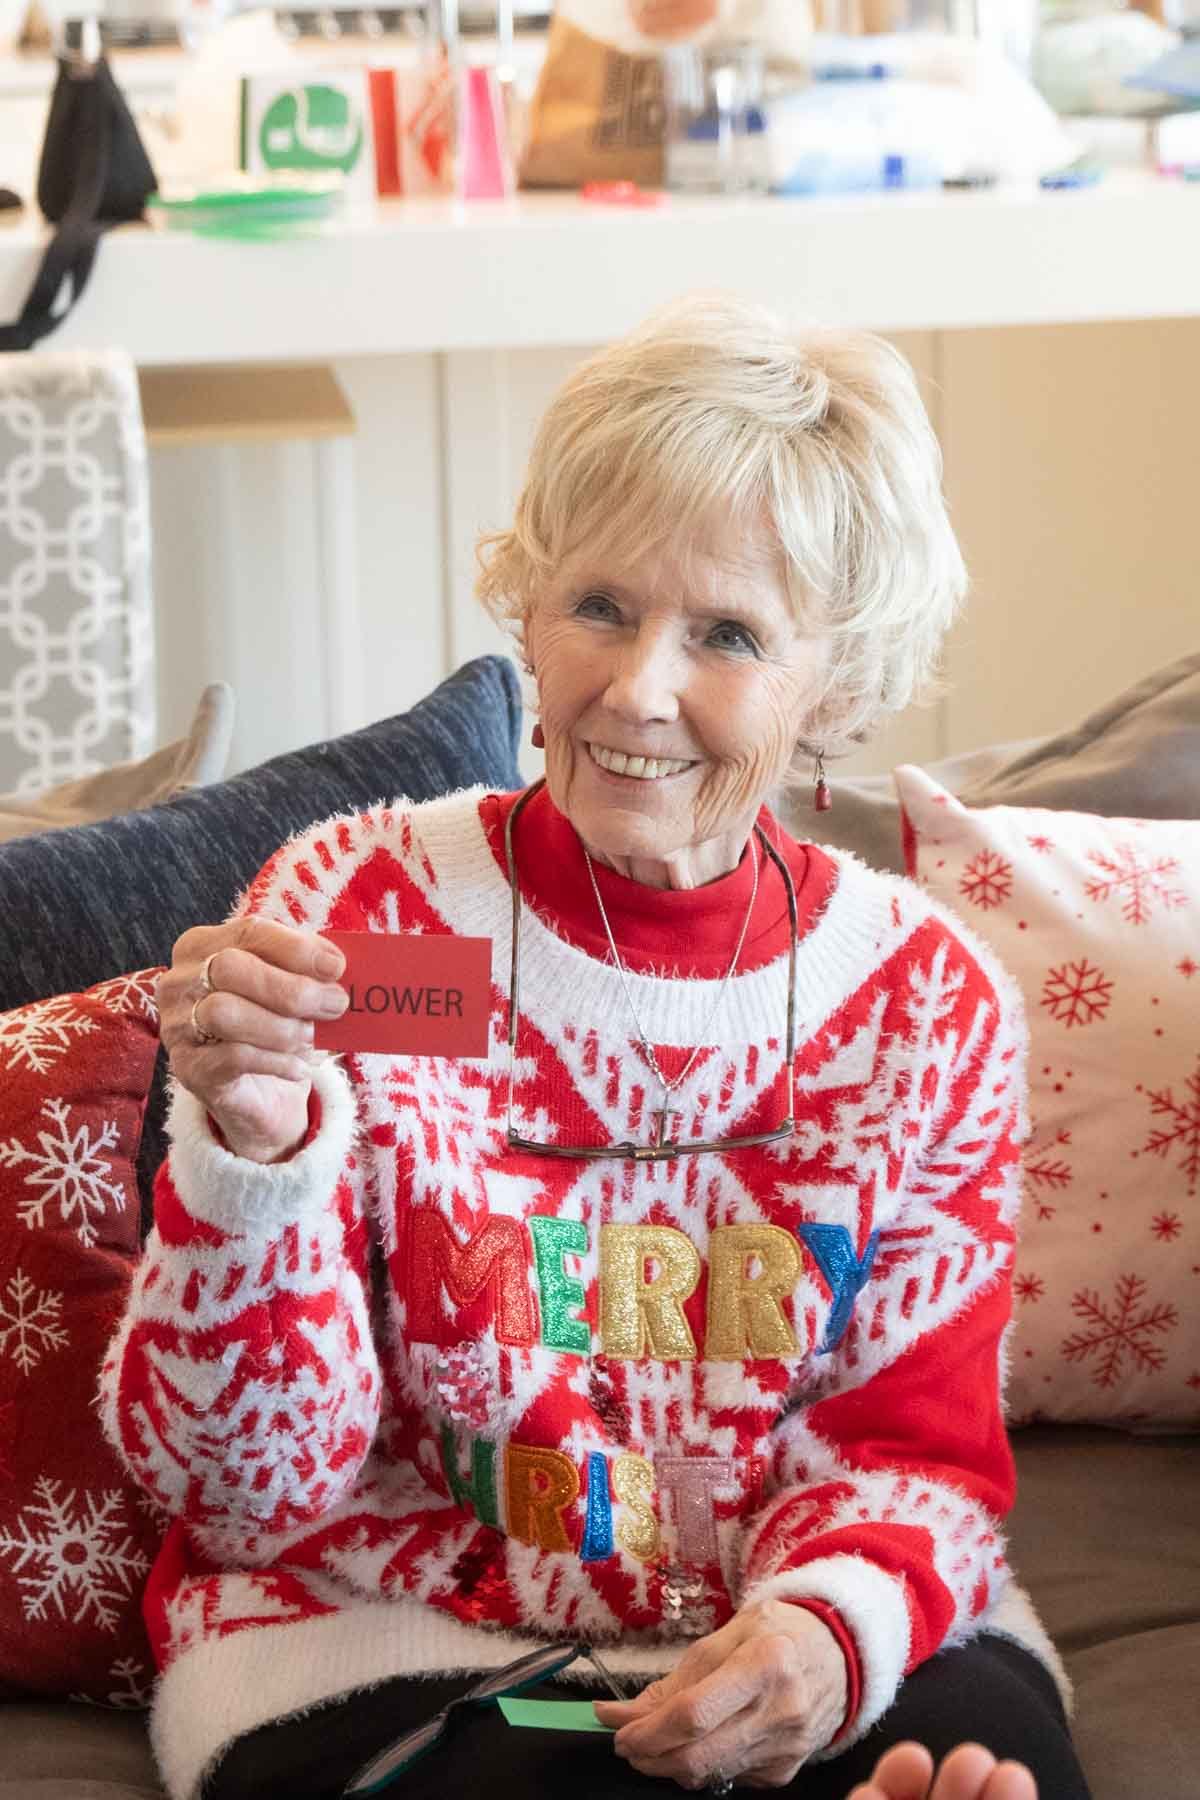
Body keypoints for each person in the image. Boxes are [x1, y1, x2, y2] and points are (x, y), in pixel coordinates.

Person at [101, 297, 1091, 1800]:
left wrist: (824, 1639)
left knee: (999, 1765)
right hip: (389, 1636)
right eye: (601, 608)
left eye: (730, 635)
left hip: (798, 1621)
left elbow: (914, 1460)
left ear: (838, 675)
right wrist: (249, 1161)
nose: (636, 691)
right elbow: (238, 1492)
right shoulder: (352, 913)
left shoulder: (926, 1005)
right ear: (526, 605)